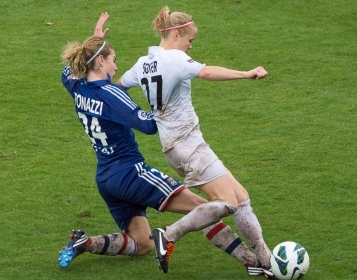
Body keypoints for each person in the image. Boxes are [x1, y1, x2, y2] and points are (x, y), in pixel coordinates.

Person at [58, 12, 265, 276]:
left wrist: (96, 40)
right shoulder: (110, 94)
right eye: (112, 61)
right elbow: (147, 125)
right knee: (203, 209)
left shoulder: (76, 88)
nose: (116, 68)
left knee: (141, 244)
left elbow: (71, 71)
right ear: (100, 61)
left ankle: (86, 243)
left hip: (105, 178)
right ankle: (253, 262)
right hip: (131, 173)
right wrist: (162, 100)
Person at [117, 6, 276, 279]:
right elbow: (207, 72)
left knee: (240, 197)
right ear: (176, 34)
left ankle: (265, 260)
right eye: (190, 40)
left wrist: (136, 114)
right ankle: (167, 235)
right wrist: (246, 74)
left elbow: (117, 86)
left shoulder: (144, 63)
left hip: (178, 146)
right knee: (228, 203)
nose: (190, 47)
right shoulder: (174, 59)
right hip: (189, 146)